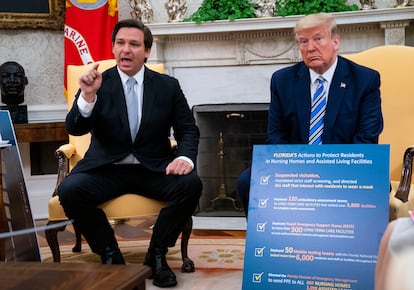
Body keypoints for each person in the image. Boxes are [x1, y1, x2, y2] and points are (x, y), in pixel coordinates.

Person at [58, 19, 202, 288]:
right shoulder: (97, 81)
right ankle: (111, 256)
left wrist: (184, 158)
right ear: (113, 48)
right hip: (107, 169)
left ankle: (156, 256)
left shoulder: (167, 86)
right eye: (120, 43)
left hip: (153, 168)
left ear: (146, 51)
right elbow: (74, 128)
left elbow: (188, 130)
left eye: (134, 44)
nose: (126, 49)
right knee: (70, 190)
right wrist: (87, 97)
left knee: (191, 184)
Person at [237, 12, 383, 217]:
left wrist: (329, 171)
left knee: (378, 189)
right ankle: (271, 244)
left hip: (347, 167)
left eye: (317, 39)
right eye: (303, 42)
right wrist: (301, 172)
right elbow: (276, 136)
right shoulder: (282, 80)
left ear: (335, 42)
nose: (310, 47)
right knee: (247, 181)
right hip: (295, 167)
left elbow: (367, 138)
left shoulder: (365, 80)